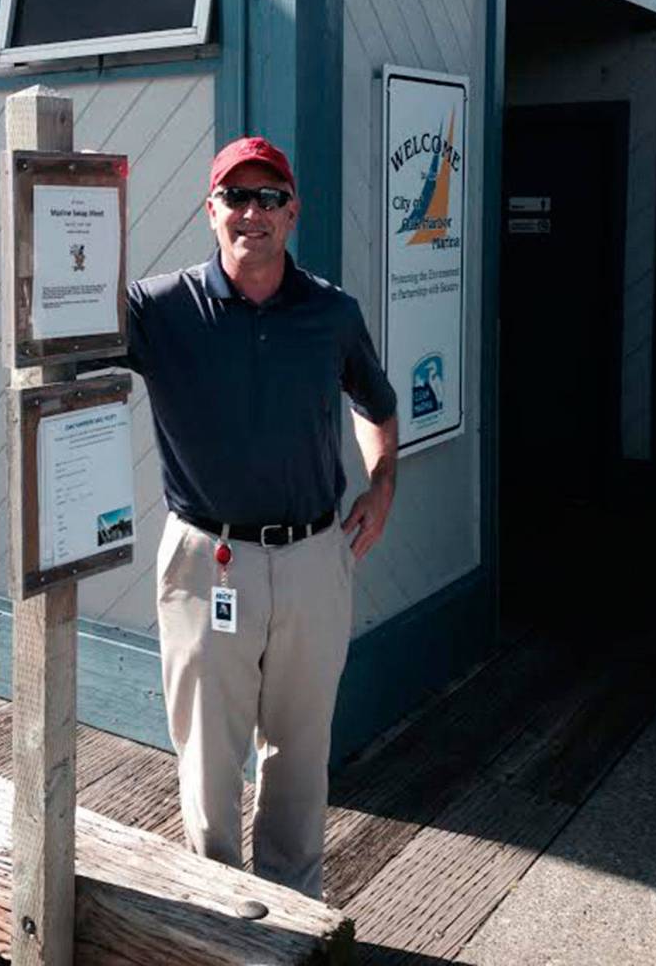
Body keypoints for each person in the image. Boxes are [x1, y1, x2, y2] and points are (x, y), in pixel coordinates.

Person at [125, 136, 398, 899]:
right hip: (204, 557)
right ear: (209, 210)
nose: (253, 213)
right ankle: (217, 910)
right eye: (236, 197)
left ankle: (294, 907)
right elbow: (62, 329)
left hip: (315, 554)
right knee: (210, 754)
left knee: (300, 748)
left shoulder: (331, 311)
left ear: (292, 212)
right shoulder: (156, 309)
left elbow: (375, 405)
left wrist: (382, 484)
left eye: (269, 197)